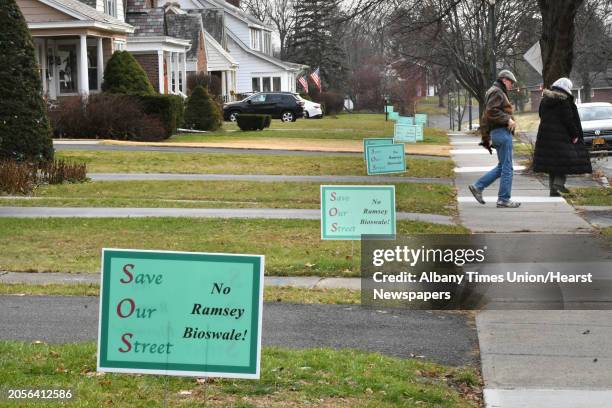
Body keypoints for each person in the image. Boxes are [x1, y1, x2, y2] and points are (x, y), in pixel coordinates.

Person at [469, 70, 521, 208]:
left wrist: (487, 136)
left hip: (497, 133)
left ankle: (478, 187)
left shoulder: (493, 91)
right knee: (508, 168)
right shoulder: (497, 92)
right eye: (511, 82)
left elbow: (486, 115)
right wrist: (508, 119)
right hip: (502, 133)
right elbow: (492, 112)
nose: (512, 85)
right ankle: (503, 199)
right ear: (504, 80)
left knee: (502, 167)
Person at [533, 78, 592, 196]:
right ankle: (558, 184)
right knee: (565, 161)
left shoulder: (545, 100)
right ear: (565, 88)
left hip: (545, 136)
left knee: (552, 163)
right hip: (562, 136)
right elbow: (569, 119)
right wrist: (574, 134)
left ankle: (553, 190)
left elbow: (540, 114)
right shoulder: (563, 101)